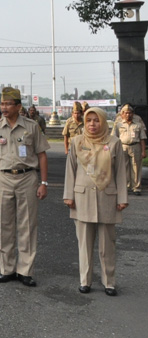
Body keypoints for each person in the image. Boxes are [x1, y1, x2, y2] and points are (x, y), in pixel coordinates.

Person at [0, 87, 50, 287]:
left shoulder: (31, 127)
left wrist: (44, 183)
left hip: (27, 177)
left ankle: (25, 270)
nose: (4, 107)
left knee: (27, 225)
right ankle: (7, 269)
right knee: (3, 224)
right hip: (3, 178)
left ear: (18, 106)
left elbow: (42, 154)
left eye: (8, 104)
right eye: (2, 104)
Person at [63, 107, 128, 296]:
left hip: (107, 197)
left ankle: (109, 282)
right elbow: (71, 170)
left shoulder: (114, 142)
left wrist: (122, 197)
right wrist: (69, 195)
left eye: (96, 120)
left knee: (108, 244)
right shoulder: (77, 141)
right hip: (82, 198)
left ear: (103, 121)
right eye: (89, 120)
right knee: (84, 244)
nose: (92, 124)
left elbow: (121, 173)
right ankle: (85, 281)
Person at [112, 104, 146, 195]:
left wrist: (143, 151)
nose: (128, 115)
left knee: (136, 167)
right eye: (126, 113)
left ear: (132, 114)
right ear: (122, 114)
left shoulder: (138, 125)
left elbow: (142, 138)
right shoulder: (118, 124)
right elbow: (114, 138)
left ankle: (136, 188)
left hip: (135, 146)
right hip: (123, 147)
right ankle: (126, 187)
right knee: (124, 167)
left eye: (130, 113)